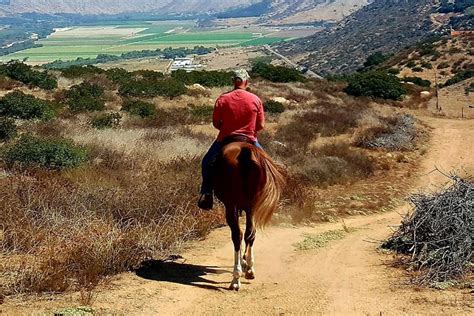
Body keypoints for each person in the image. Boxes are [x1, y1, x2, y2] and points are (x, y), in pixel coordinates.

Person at [198, 69, 265, 210]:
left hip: (225, 139)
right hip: (250, 139)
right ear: (246, 81)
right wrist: (250, 130)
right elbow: (261, 125)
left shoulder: (223, 99)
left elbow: (216, 123)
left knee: (206, 162)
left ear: (233, 81)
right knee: (268, 166)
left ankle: (207, 193)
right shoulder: (255, 99)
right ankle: (267, 193)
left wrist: (227, 127)